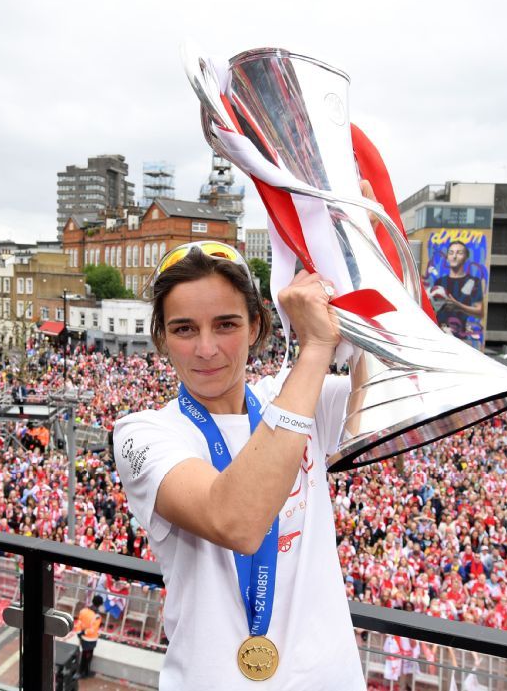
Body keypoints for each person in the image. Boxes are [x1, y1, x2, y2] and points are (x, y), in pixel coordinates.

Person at [112, 230, 367, 689]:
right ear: (162, 339)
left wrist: (358, 254)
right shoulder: (144, 432)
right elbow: (237, 521)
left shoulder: (295, 396)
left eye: (226, 325)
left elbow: (399, 402)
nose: (206, 348)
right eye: (184, 329)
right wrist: (315, 349)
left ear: (255, 327)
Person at [427, 240, 484, 344]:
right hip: (440, 337)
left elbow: (480, 312)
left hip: (463, 339)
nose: (454, 256)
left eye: (459, 253)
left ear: (466, 257)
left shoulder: (474, 281)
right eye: (451, 252)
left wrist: (458, 306)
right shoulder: (439, 282)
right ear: (447, 257)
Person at [72, 595, 104, 679]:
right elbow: (93, 629)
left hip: (83, 637)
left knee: (85, 655)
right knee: (87, 656)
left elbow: (79, 622)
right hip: (91, 639)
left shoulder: (83, 611)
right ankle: (83, 673)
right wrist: (84, 632)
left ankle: (85, 672)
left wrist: (79, 632)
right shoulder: (97, 616)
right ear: (100, 604)